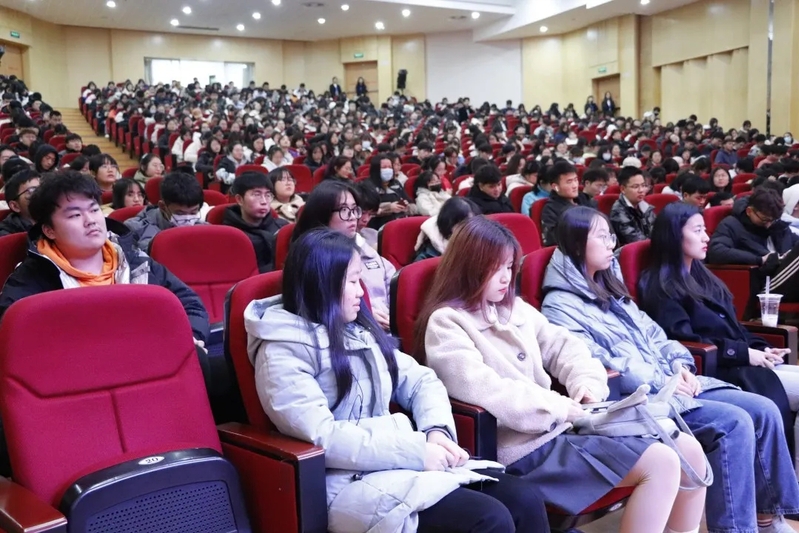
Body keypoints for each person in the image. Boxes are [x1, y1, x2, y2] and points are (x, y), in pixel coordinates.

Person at [244, 228, 549, 533]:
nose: (362, 293)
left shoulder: (355, 330)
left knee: (524, 499)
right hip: (343, 482)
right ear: (323, 283)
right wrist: (416, 451)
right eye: (353, 281)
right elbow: (322, 436)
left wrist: (436, 431)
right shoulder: (282, 350)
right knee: (488, 518)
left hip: (398, 463)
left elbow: (421, 381)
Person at [417, 216, 707, 533]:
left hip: (563, 429)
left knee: (688, 450)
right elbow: (485, 389)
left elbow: (566, 347)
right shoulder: (447, 323)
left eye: (509, 267)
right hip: (523, 448)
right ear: (469, 267)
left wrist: (585, 383)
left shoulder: (514, 308)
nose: (505, 278)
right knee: (661, 463)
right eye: (494, 268)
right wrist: (557, 405)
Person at [540, 206, 799, 533]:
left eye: (611, 236)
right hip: (641, 399)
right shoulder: (559, 306)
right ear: (578, 244)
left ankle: (767, 518)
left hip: (671, 384)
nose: (611, 244)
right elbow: (599, 363)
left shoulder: (611, 287)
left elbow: (657, 336)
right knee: (734, 423)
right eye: (602, 237)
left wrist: (680, 365)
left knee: (763, 409)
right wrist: (664, 380)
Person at [640, 202, 799, 473]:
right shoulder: (660, 286)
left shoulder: (701, 275)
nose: (706, 238)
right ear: (675, 235)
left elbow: (733, 326)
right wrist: (744, 353)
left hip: (744, 362)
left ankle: (791, 474)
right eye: (697, 230)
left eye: (705, 229)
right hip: (719, 370)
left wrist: (761, 348)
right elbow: (683, 341)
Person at [0, 170, 209, 345]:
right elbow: (14, 340)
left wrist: (186, 340)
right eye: (75, 215)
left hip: (150, 363)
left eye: (94, 210)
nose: (90, 220)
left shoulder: (135, 260)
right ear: (49, 230)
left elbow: (191, 305)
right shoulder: (31, 279)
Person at [292, 180, 394, 329]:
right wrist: (365, 316)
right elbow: (318, 308)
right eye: (344, 210)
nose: (353, 217)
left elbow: (393, 285)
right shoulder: (310, 256)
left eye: (354, 209)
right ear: (322, 213)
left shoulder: (365, 248)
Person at [708, 187, 799, 305]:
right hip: (764, 283)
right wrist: (759, 259)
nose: (768, 225)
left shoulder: (776, 224)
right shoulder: (732, 225)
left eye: (772, 220)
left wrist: (787, 256)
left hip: (784, 275)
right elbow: (716, 251)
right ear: (749, 211)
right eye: (764, 220)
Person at [125, 171, 206, 253]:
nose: (188, 220)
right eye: (180, 213)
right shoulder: (133, 229)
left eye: (193, 213)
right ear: (163, 206)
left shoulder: (204, 228)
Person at [223, 171, 287, 273]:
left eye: (268, 195)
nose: (264, 201)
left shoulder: (282, 227)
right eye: (257, 195)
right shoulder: (228, 234)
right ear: (239, 199)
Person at [540, 161, 594, 246]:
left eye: (575, 180)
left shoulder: (584, 198)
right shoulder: (550, 209)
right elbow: (554, 240)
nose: (575, 185)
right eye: (569, 182)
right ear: (555, 187)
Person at [413, 197, 480, 262]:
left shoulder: (475, 242)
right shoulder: (428, 256)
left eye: (473, 224)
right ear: (448, 224)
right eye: (463, 224)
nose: (470, 229)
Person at [610, 165, 656, 245]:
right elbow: (636, 241)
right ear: (623, 189)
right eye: (635, 187)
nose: (641, 190)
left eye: (643, 185)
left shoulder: (644, 206)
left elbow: (656, 230)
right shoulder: (618, 212)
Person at [366, 154, 414, 230]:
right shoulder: (367, 186)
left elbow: (409, 202)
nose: (388, 170)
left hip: (400, 221)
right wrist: (389, 208)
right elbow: (368, 211)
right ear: (376, 169)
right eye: (384, 167)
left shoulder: (396, 183)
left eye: (390, 167)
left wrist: (406, 206)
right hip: (379, 226)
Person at [0, 169, 39, 237]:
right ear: (15, 206)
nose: (42, 194)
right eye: (33, 191)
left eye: (42, 188)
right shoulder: (7, 236)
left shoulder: (52, 218)